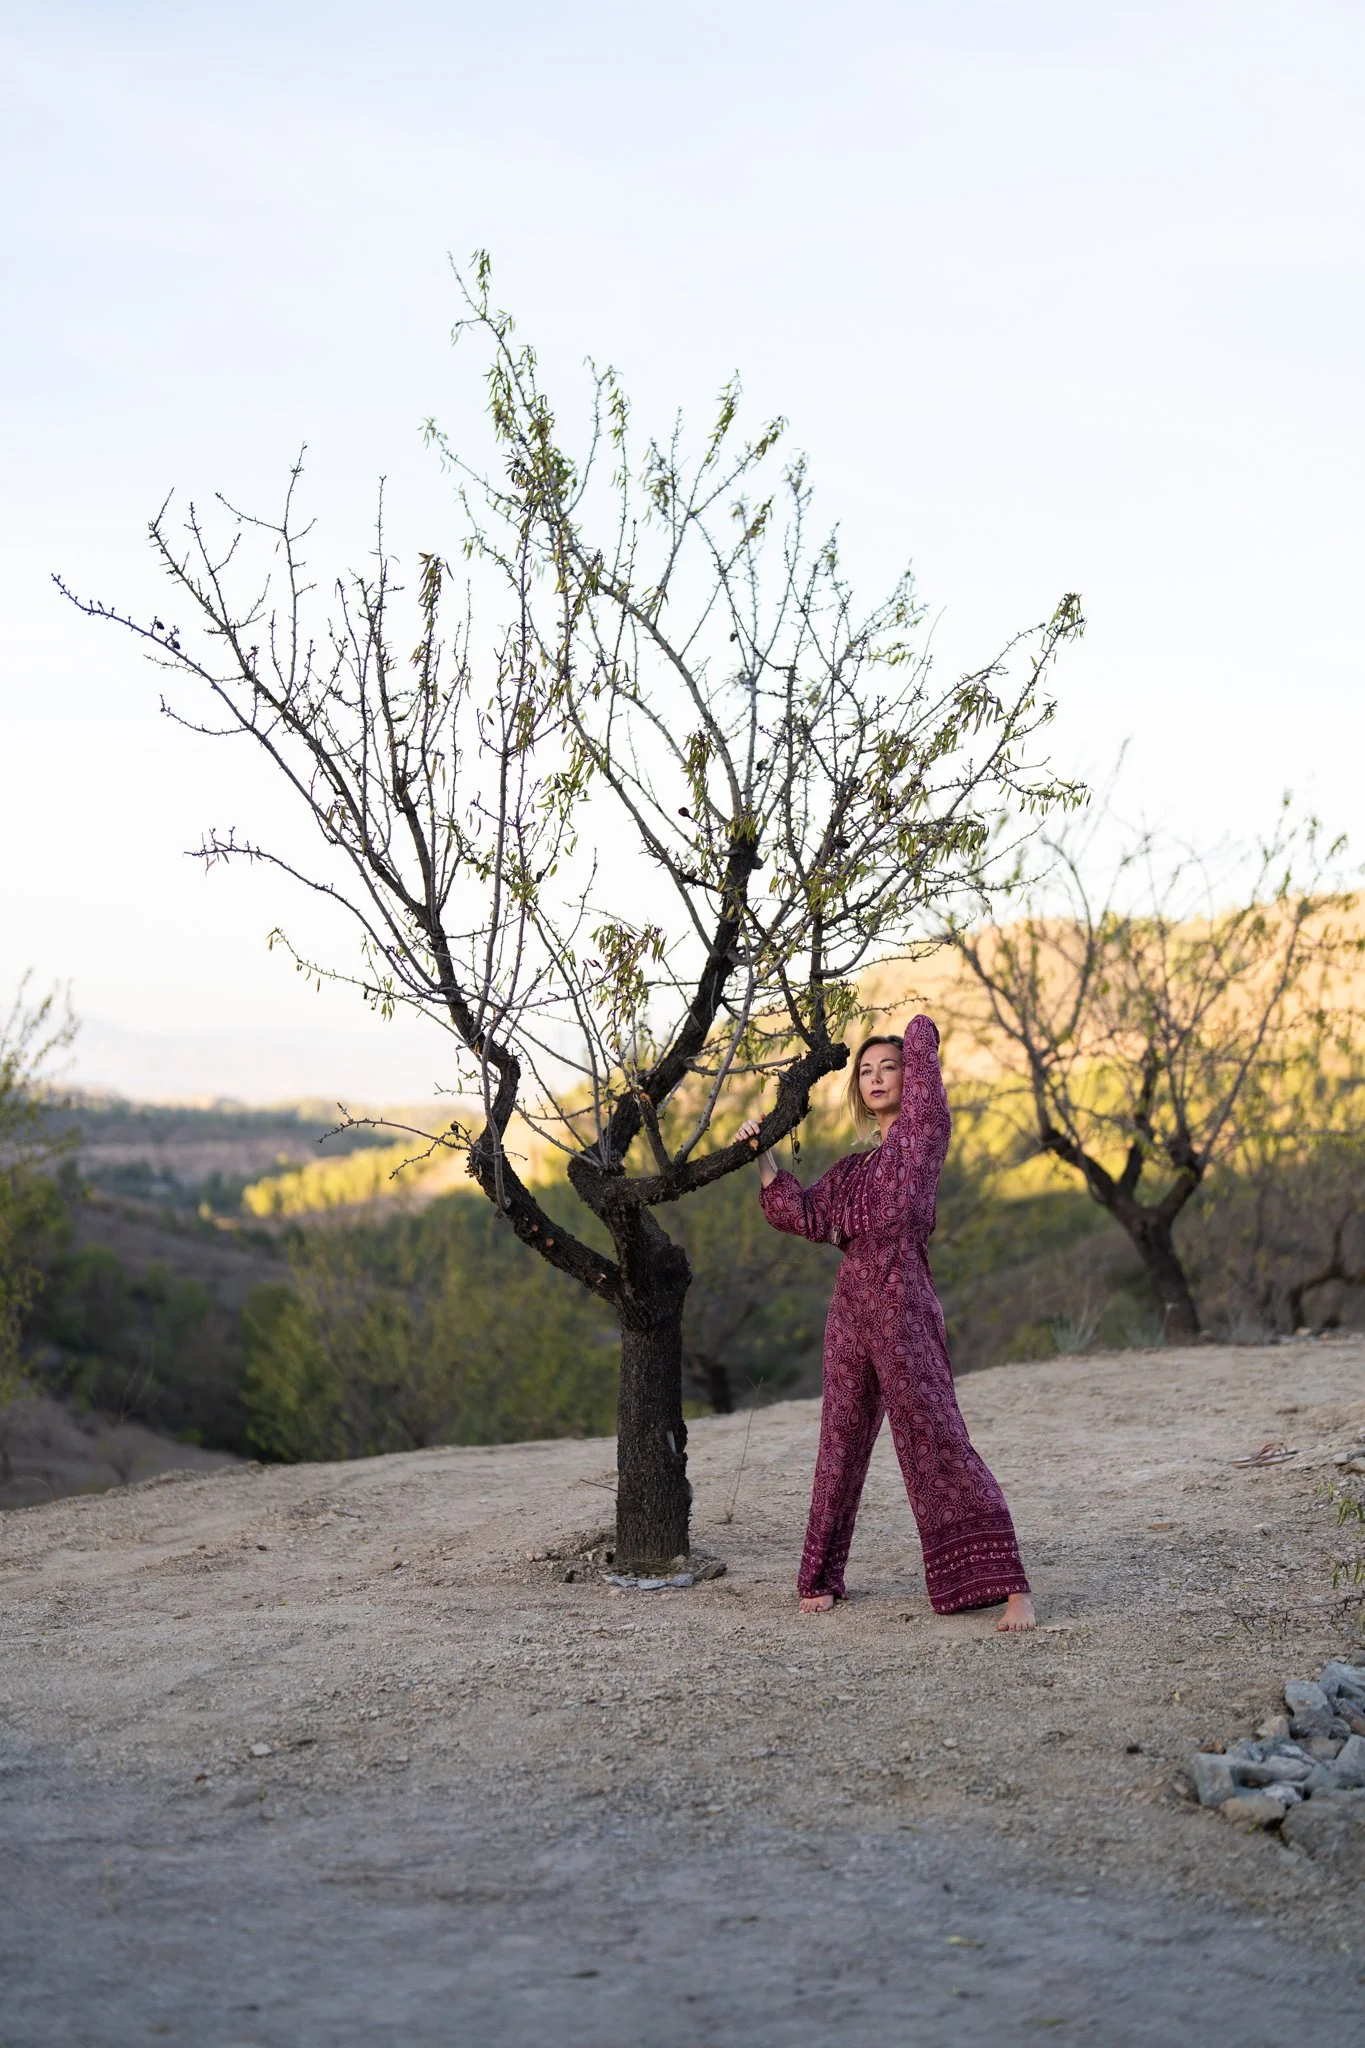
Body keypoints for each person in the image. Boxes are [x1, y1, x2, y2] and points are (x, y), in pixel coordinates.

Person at [737, 1017, 1036, 1630]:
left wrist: (914, 1033)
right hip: (850, 1306)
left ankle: (1012, 1588)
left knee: (935, 1435)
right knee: (839, 1439)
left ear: (911, 1077)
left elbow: (923, 1043)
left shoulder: (923, 1137)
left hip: (904, 1302)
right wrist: (762, 1156)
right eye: (866, 1072)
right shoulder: (851, 1171)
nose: (875, 1078)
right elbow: (804, 1215)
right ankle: (821, 1576)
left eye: (888, 1068)